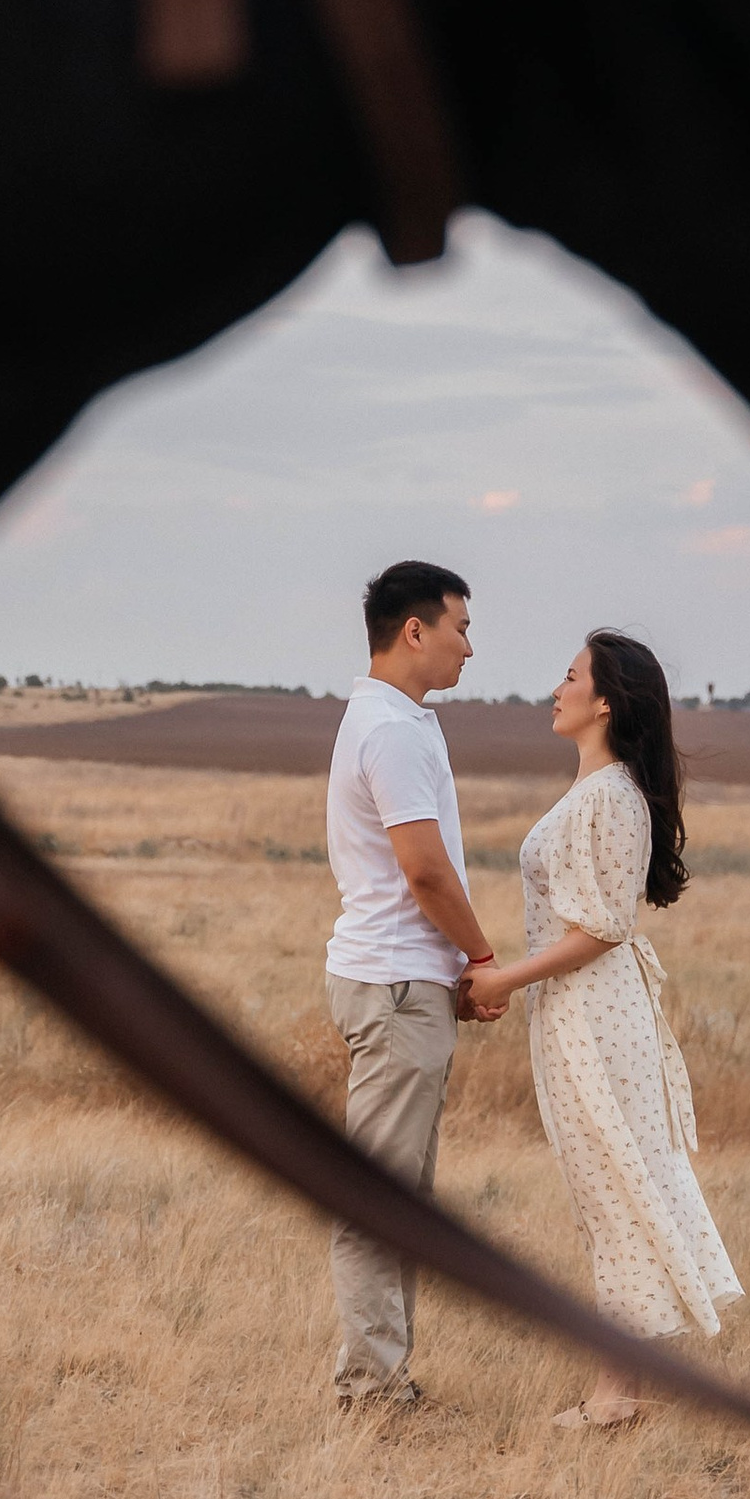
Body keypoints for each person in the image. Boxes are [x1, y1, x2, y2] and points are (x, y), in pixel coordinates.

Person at [470, 629, 742, 1427]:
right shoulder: (593, 792)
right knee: (604, 1189)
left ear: (606, 703)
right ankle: (624, 1383)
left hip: (597, 1016)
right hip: (572, 1012)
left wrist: (505, 980)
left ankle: (617, 1395)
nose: (556, 690)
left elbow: (603, 929)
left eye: (570, 677)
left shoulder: (613, 796)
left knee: (616, 1186)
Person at [321, 559, 495, 1407]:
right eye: (461, 628)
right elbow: (423, 870)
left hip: (402, 982)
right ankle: (369, 1388)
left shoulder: (399, 720)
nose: (470, 647)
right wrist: (482, 958)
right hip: (395, 983)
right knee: (380, 1197)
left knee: (404, 1198)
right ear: (415, 630)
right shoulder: (390, 730)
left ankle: (387, 1380)